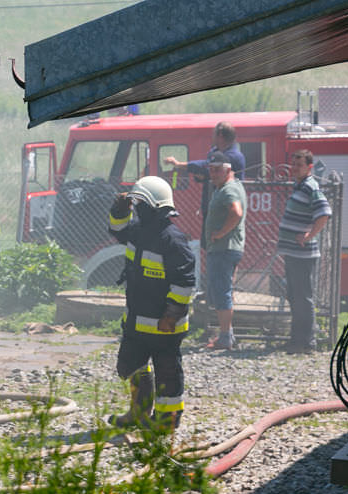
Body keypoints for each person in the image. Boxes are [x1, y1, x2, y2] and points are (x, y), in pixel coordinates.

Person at [106, 176, 196, 430]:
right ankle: (139, 412)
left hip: (164, 324)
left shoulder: (173, 240)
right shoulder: (138, 230)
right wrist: (119, 210)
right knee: (130, 364)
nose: (137, 208)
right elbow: (117, 229)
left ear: (155, 206)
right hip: (137, 319)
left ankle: (167, 420)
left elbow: (184, 282)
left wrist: (172, 314)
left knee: (167, 372)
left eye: (140, 203)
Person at [277, 149, 332, 354]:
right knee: (294, 295)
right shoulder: (298, 186)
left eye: (299, 165)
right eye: (294, 164)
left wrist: (309, 235)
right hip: (293, 252)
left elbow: (324, 213)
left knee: (303, 297)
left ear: (309, 167)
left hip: (303, 254)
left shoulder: (311, 187)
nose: (295, 168)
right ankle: (296, 339)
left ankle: (307, 342)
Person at [164, 121, 246, 240]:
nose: (212, 137)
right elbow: (205, 172)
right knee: (207, 241)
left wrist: (179, 164)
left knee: (221, 241)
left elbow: (205, 167)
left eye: (214, 134)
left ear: (220, 136)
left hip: (225, 206)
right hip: (211, 203)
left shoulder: (234, 156)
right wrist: (202, 176)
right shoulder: (214, 152)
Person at [203, 151, 247, 350]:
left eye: (217, 170)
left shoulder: (228, 189)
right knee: (225, 292)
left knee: (222, 293)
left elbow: (236, 213)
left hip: (223, 249)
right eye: (211, 170)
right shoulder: (230, 186)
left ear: (228, 169)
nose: (213, 173)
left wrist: (220, 233)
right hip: (226, 248)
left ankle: (225, 337)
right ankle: (227, 335)